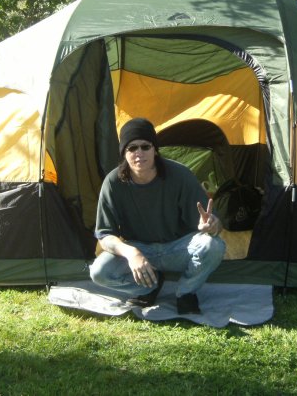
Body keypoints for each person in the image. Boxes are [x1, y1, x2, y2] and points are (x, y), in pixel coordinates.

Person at [90, 117, 226, 314]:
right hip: (140, 249)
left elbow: (215, 225)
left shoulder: (180, 175)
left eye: (145, 146)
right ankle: (148, 287)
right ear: (124, 153)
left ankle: (186, 293)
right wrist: (132, 253)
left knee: (214, 245)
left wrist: (212, 226)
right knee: (99, 272)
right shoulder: (113, 183)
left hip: (177, 247)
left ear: (155, 149)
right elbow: (104, 236)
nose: (139, 153)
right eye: (132, 148)